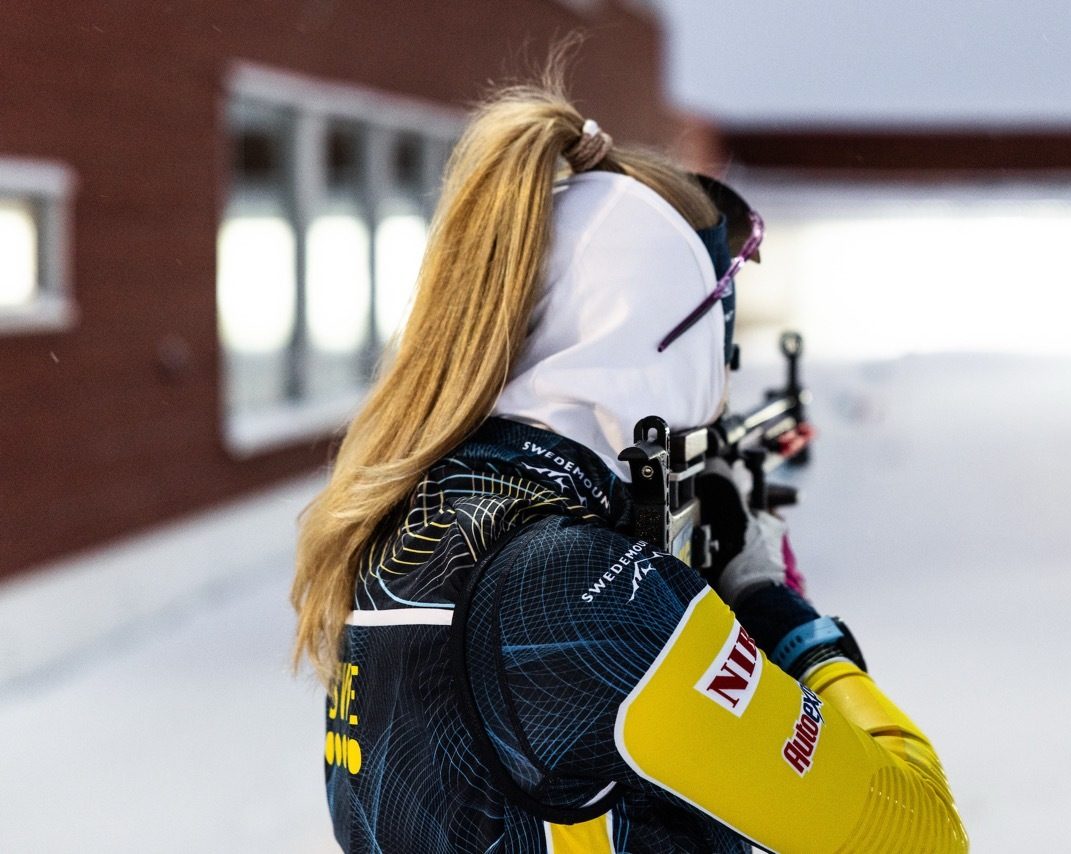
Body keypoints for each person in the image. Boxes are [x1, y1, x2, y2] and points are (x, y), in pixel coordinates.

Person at [291, 76, 968, 853]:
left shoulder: (415, 514)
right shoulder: (581, 590)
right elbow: (918, 833)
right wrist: (776, 613)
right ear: (668, 342)